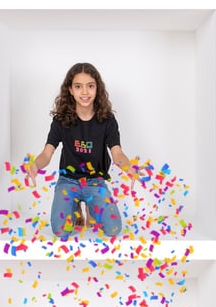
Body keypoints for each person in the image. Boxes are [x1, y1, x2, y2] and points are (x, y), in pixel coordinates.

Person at [26, 63, 139, 237]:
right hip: (68, 182)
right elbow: (47, 153)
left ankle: (91, 208)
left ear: (97, 88)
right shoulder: (61, 120)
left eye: (90, 86)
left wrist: (128, 167)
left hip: (95, 182)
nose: (85, 92)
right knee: (61, 231)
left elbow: (117, 153)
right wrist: (35, 166)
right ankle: (76, 206)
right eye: (78, 86)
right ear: (70, 90)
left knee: (113, 229)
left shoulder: (107, 120)